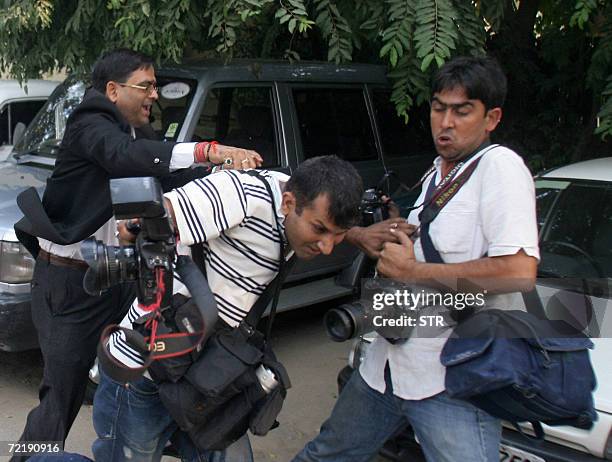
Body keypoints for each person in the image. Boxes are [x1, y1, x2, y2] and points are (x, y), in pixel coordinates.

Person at [12, 48, 263, 460]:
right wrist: (209, 150)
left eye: (155, 86)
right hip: (71, 284)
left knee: (151, 373)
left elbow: (168, 167)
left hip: (123, 278)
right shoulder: (89, 124)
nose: (154, 95)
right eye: (146, 86)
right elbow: (124, 159)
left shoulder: (138, 135)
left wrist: (226, 172)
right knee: (60, 401)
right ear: (112, 90)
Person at [292, 56, 540, 462]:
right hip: (388, 363)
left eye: (462, 111)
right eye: (439, 108)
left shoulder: (500, 168)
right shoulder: (439, 173)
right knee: (325, 455)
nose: (446, 122)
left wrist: (414, 270)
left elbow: (518, 272)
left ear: (491, 118)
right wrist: (397, 230)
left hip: (452, 379)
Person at [91, 155, 364, 461]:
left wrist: (360, 234)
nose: (327, 247)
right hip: (145, 373)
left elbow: (330, 223)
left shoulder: (301, 208)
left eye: (337, 236)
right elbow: (158, 212)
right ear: (288, 204)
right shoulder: (240, 193)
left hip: (205, 380)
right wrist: (136, 227)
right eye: (319, 230)